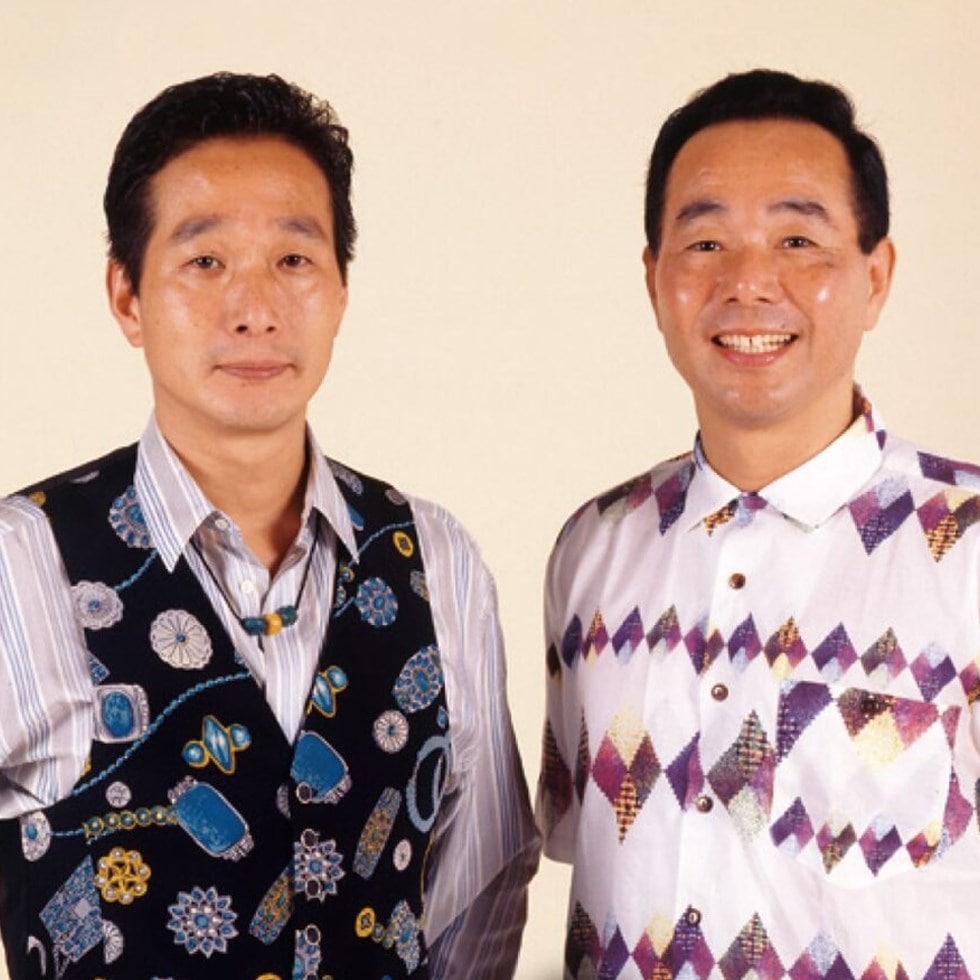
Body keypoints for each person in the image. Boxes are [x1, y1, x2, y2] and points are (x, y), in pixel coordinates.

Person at [0, 71, 538, 979]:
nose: (255, 310)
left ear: (340, 289)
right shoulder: (23, 564)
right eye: (205, 261)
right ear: (127, 296)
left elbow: (480, 884)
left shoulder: (434, 559)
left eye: (293, 260)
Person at [537, 69, 980, 978]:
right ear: (654, 278)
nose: (746, 282)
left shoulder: (965, 544)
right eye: (705, 241)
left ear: (876, 277)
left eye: (797, 239)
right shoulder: (593, 550)